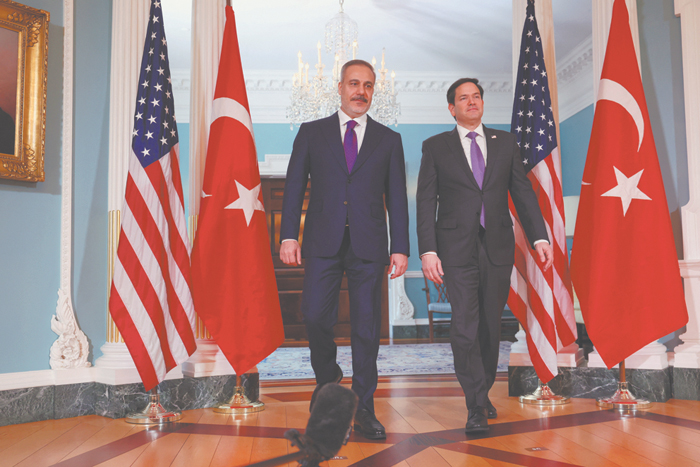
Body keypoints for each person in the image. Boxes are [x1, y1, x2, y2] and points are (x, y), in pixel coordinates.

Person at [279, 59, 410, 440]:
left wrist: (400, 247)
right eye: (354, 83)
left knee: (366, 329)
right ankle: (328, 380)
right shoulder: (312, 132)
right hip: (322, 242)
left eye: (368, 85)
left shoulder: (389, 139)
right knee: (314, 316)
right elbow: (293, 187)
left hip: (370, 245)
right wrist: (289, 235)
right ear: (340, 87)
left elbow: (397, 197)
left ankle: (364, 408)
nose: (361, 92)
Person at [416, 78, 553, 433]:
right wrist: (428, 250)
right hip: (455, 249)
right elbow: (425, 201)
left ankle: (483, 390)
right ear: (452, 108)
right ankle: (474, 404)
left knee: (490, 326)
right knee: (465, 325)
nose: (472, 102)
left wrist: (539, 237)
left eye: (476, 96)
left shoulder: (505, 143)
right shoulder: (436, 147)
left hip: (497, 246)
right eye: (464, 98)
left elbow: (522, 192)